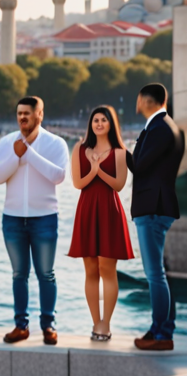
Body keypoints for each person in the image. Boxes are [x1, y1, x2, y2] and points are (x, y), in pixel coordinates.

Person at [0, 96, 70, 345]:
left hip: (45, 218)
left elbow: (58, 176)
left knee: (46, 274)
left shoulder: (56, 143)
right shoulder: (6, 142)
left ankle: (48, 326)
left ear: (40, 115)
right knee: (18, 274)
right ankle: (20, 326)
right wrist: (15, 157)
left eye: (27, 113)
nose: (22, 117)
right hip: (13, 219)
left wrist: (29, 154)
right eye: (19, 113)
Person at [67, 105, 133, 342]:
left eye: (104, 120)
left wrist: (98, 170)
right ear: (90, 123)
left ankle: (107, 323)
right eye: (95, 120)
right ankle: (96, 322)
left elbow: (118, 185)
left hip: (109, 210)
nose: (99, 123)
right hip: (87, 210)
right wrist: (92, 168)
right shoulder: (79, 148)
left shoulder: (120, 152)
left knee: (107, 269)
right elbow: (77, 183)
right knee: (91, 270)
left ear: (111, 123)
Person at [129, 83, 184, 351]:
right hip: (158, 207)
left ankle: (161, 334)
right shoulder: (171, 127)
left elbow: (139, 166)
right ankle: (162, 329)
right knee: (159, 273)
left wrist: (119, 151)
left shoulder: (158, 128)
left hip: (152, 208)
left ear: (144, 100)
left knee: (154, 274)